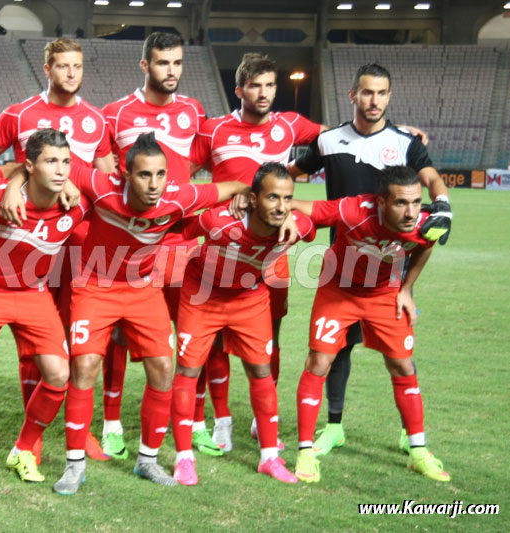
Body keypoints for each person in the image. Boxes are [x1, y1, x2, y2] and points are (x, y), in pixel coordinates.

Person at [51, 132, 249, 495]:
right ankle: (74, 466)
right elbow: (49, 160)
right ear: (125, 175)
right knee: (84, 367)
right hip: (94, 285)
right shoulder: (100, 184)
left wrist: (241, 198)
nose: (154, 184)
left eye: (160, 175)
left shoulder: (179, 197)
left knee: (163, 367)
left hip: (143, 289)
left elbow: (235, 184)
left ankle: (148, 460)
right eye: (144, 175)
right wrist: (31, 184)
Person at [288, 63, 451, 457]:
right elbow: (290, 173)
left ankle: (408, 435)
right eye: (366, 93)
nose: (373, 101)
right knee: (334, 351)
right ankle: (334, 427)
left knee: (399, 359)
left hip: (386, 270)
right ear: (353, 96)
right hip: (341, 262)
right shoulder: (329, 141)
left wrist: (443, 203)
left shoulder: (406, 143)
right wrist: (277, 202)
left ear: (389, 97)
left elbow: (430, 180)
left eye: (380, 93)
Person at [0, 37, 113, 462]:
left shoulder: (96, 120)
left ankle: (84, 431)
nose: (70, 73)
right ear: (47, 69)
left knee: (84, 343)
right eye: (62, 66)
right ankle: (31, 436)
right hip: (28, 246)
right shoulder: (19, 115)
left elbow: (107, 178)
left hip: (81, 244)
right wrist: (19, 176)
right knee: (32, 345)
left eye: (77, 66)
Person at [189, 52, 323, 454]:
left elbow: (336, 137)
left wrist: (397, 132)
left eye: (269, 86)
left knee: (271, 337)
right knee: (214, 340)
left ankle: (262, 419)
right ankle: (222, 421)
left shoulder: (289, 126)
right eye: (255, 86)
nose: (263, 94)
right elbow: (184, 175)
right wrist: (221, 204)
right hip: (223, 248)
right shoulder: (214, 131)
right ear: (240, 90)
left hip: (271, 254)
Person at [290, 165, 450, 483]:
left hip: (385, 292)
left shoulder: (424, 223)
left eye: (416, 202)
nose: (411, 212)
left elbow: (424, 249)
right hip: (339, 289)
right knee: (319, 361)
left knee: (403, 366)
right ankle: (305, 452)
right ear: (380, 202)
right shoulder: (352, 210)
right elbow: (303, 207)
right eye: (401, 203)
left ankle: (418, 451)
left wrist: (406, 289)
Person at [0, 129, 90, 488]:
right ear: (29, 166)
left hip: (32, 291)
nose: (61, 171)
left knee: (59, 375)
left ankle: (23, 450)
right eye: (51, 162)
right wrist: (14, 181)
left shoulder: (76, 203)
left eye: (65, 162)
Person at [97, 32, 206, 459]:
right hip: (131, 245)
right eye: (163, 63)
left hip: (182, 241)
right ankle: (110, 422)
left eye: (177, 62)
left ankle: (191, 421)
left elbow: (204, 160)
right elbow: (105, 169)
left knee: (191, 334)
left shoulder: (194, 112)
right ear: (145, 66)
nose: (172, 70)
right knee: (120, 335)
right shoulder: (116, 113)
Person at [171, 163, 314, 486]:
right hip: (202, 294)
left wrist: (290, 212)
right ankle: (183, 459)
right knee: (188, 371)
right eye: (272, 197)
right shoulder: (218, 222)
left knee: (261, 371)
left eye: (287, 199)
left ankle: (269, 458)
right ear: (252, 198)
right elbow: (183, 224)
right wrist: (230, 197)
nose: (280, 206)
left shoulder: (296, 227)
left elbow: (319, 214)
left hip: (249, 297)